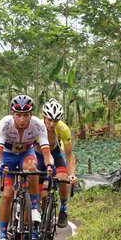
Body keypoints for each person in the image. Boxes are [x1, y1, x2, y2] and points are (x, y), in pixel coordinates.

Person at [0, 94, 54, 240]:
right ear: (12, 114)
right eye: (18, 115)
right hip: (8, 155)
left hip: (27, 153)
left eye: (26, 115)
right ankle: (3, 237)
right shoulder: (5, 124)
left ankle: (34, 208)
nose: (21, 119)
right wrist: (1, 165)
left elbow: (47, 153)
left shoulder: (38, 125)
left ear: (31, 115)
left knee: (31, 168)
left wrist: (49, 165)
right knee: (7, 195)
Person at [35, 98, 78, 229]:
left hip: (55, 153)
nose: (52, 124)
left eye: (56, 120)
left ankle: (63, 208)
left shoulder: (63, 129)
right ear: (43, 116)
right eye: (49, 120)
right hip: (38, 155)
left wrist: (72, 174)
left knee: (63, 179)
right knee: (38, 192)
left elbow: (69, 154)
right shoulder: (35, 125)